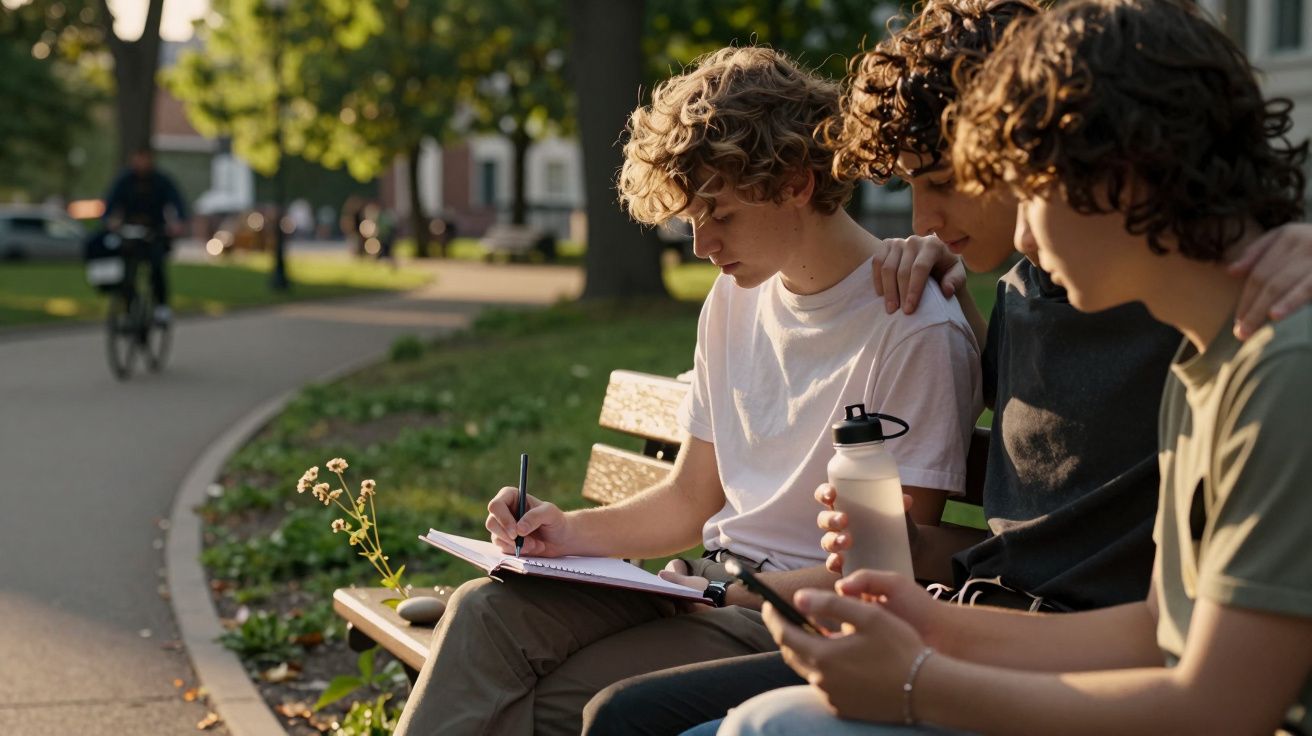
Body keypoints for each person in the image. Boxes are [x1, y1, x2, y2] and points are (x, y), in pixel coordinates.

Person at [582, 2, 1312, 733]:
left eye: (1025, 186)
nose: (1019, 227)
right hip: (1003, 623)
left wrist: (915, 681)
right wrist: (920, 618)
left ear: (1123, 172)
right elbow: (1152, 622)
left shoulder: (1260, 359)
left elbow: (1216, 699)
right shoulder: (1192, 355)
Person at [392, 46, 981, 736]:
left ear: (795, 182)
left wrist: (720, 590)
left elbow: (889, 569)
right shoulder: (734, 298)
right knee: (483, 612)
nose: (702, 244)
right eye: (690, 219)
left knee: (554, 706)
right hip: (697, 582)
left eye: (720, 214)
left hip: (784, 615)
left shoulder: (910, 325)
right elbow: (690, 498)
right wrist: (560, 533)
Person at [101, 147, 188, 324]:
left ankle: (161, 307)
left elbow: (176, 201)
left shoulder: (161, 181)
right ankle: (128, 309)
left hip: (154, 230)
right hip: (129, 230)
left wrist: (178, 222)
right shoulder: (124, 181)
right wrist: (110, 220)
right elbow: (110, 203)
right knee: (126, 273)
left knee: (156, 267)